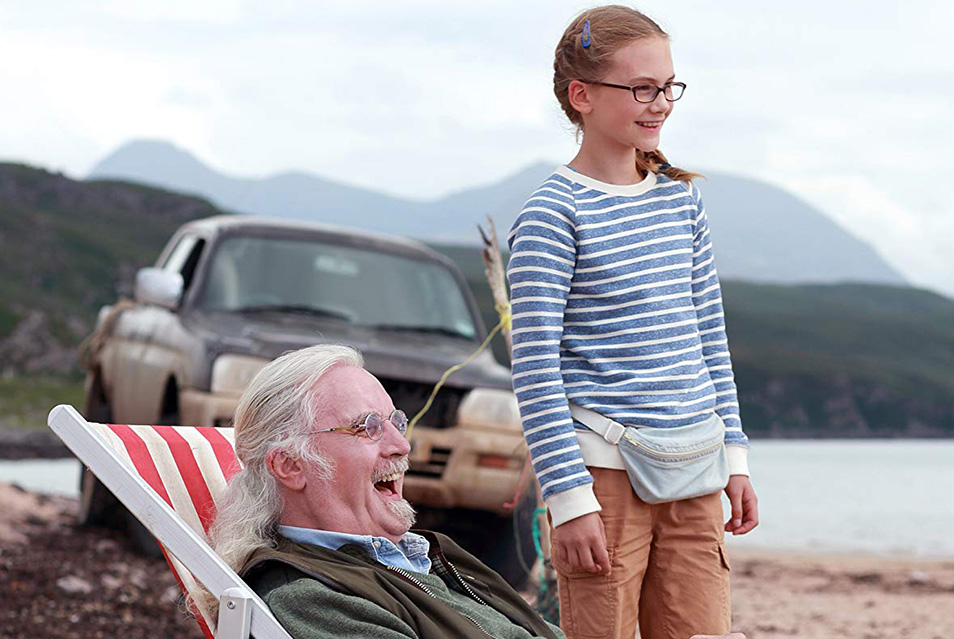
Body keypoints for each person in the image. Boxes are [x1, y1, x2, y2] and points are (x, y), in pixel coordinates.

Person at [506, 6, 760, 639]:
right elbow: (535, 373)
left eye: (669, 86)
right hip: (604, 478)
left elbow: (708, 340)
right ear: (582, 95)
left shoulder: (682, 198)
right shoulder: (551, 215)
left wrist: (736, 458)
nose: (660, 103)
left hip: (697, 469)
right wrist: (568, 501)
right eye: (641, 87)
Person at [206, 344, 565, 638]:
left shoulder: (426, 555)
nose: (402, 446)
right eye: (367, 427)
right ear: (290, 465)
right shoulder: (310, 598)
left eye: (396, 422)